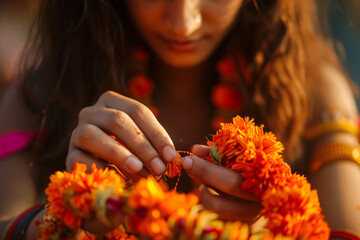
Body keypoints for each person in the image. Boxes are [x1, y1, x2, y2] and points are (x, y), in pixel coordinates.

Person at [0, 0, 359, 239]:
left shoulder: (315, 93)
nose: (184, 23)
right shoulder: (36, 99)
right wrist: (69, 214)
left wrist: (267, 224)